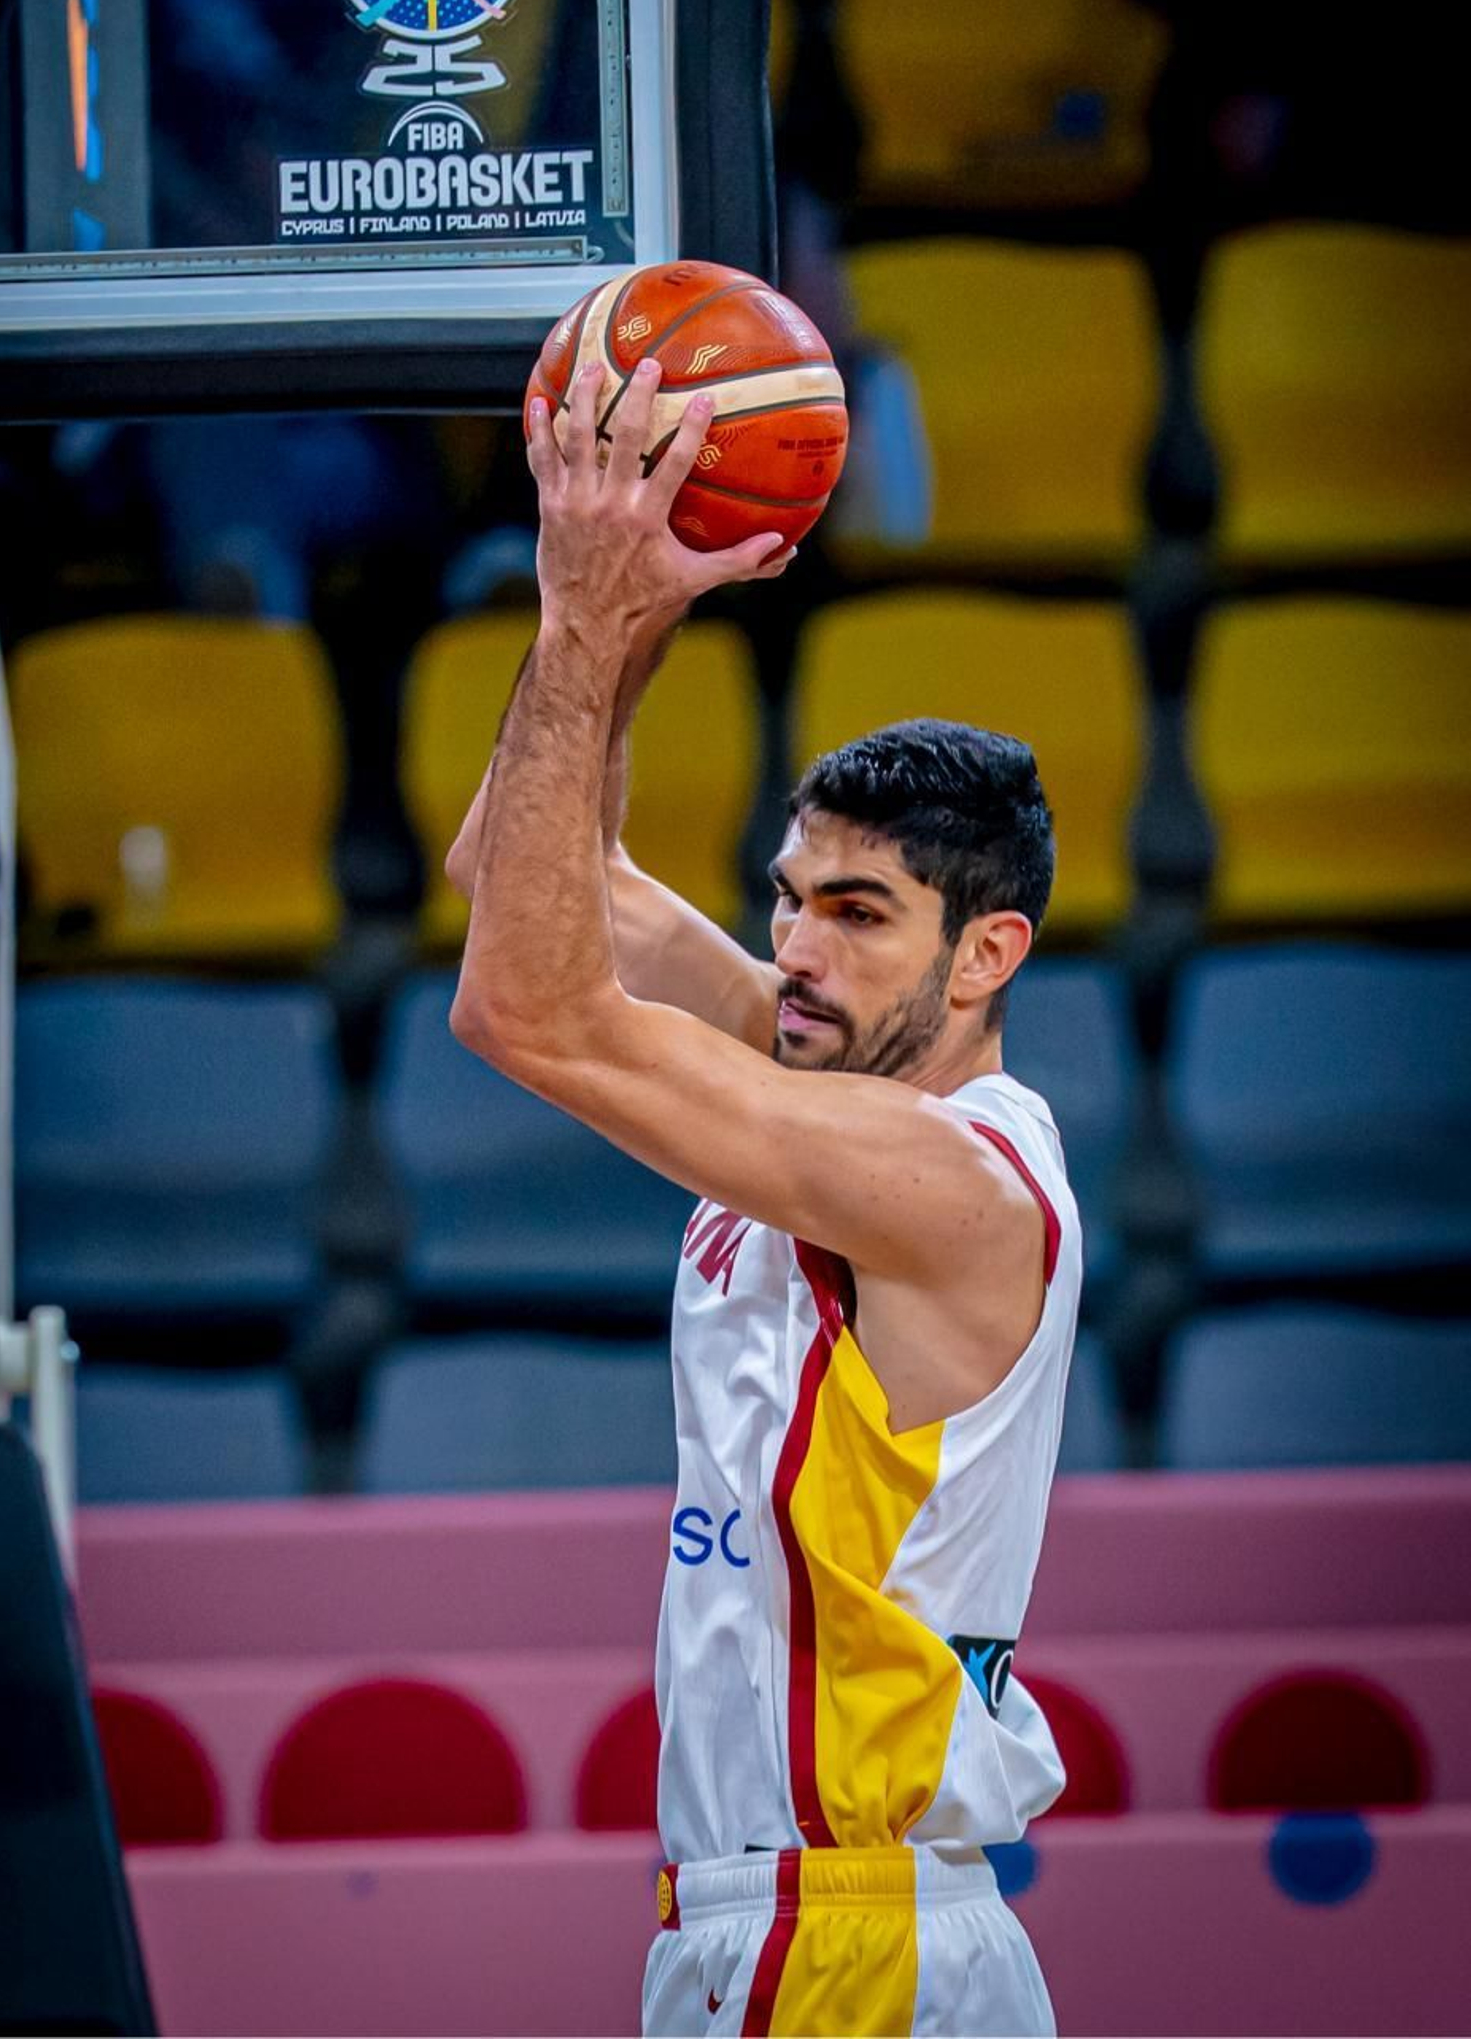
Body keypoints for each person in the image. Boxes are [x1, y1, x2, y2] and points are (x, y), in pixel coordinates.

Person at [446, 358, 1077, 2039]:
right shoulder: (828, 1079)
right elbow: (513, 875)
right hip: (785, 1919)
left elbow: (521, 1000)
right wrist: (634, 595)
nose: (797, 951)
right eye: (788, 899)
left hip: (842, 1929)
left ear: (984, 953)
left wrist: (586, 619)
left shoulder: (941, 1175)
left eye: (859, 913)